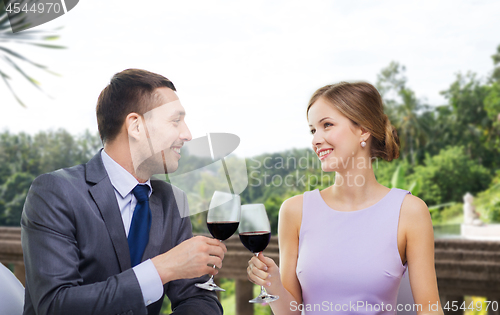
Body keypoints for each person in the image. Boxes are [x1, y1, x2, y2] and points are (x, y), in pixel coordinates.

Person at [21, 69, 226, 315]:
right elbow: (55, 305)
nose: (187, 134)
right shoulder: (54, 193)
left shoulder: (171, 200)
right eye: (175, 120)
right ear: (136, 126)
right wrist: (161, 269)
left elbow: (200, 299)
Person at [247, 82, 444, 314]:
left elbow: (430, 309)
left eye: (327, 125)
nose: (315, 140)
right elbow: (292, 311)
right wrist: (272, 281)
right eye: (312, 130)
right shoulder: (294, 211)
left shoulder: (409, 211)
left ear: (363, 130)